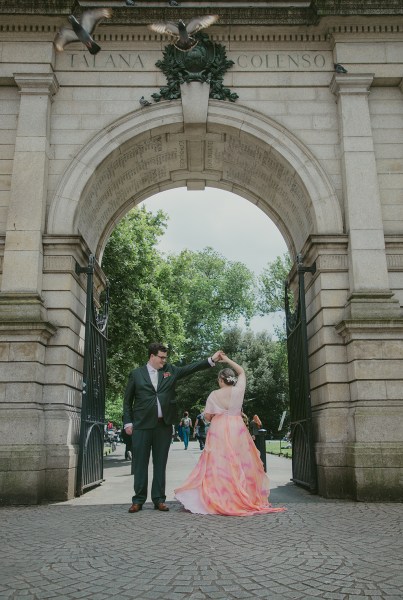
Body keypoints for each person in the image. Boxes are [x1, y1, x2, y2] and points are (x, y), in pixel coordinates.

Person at [175, 353, 286, 516]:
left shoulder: (214, 395)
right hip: (236, 427)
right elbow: (241, 371)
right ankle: (241, 493)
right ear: (231, 379)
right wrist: (226, 359)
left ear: (221, 379)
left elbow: (207, 417)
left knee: (218, 462)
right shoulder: (238, 390)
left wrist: (213, 413)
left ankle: (220, 495)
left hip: (219, 428)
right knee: (239, 461)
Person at [123, 342, 222, 513]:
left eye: (165, 357)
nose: (164, 360)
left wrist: (211, 360)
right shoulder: (136, 374)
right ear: (151, 356)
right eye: (161, 357)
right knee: (140, 464)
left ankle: (159, 500)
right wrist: (128, 422)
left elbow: (190, 368)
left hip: (164, 426)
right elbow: (127, 401)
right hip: (141, 426)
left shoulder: (170, 371)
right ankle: (138, 500)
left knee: (160, 464)